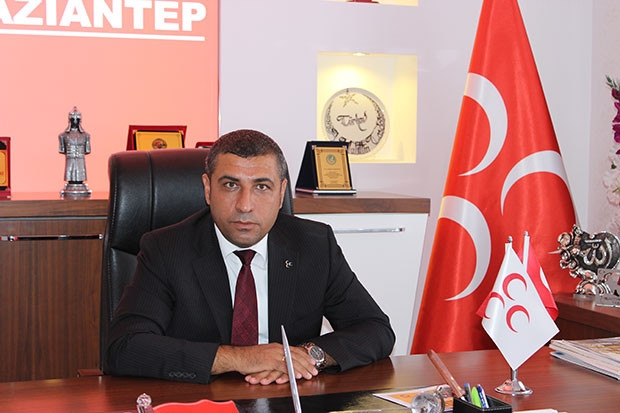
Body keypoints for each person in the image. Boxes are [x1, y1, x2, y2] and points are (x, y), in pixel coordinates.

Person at [105, 129, 395, 385]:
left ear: (281, 193)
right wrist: (241, 358)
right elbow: (124, 348)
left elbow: (375, 329)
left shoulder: (314, 245)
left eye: (262, 187)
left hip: (286, 398)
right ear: (208, 189)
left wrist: (308, 356)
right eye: (230, 185)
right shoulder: (166, 249)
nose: (245, 205)